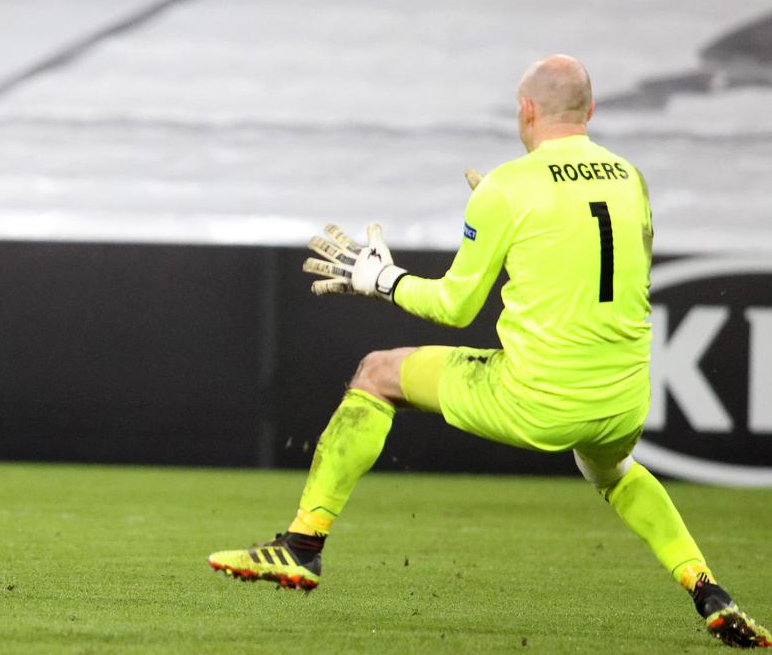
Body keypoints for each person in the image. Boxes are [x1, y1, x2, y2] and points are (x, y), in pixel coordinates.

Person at [206, 55, 769, 648]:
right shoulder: (628, 176)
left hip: (537, 399)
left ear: (526, 110)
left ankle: (301, 545)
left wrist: (383, 279)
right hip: (622, 399)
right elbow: (624, 256)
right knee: (614, 471)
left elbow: (454, 306)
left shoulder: (509, 187)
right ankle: (707, 588)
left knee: (376, 373)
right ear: (591, 112)